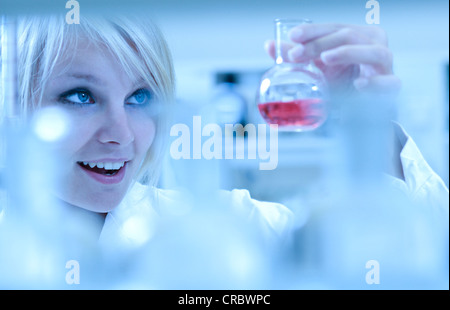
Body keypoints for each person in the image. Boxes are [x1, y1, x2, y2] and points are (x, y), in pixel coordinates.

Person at [4, 14, 448, 284]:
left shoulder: (228, 228)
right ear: (14, 105)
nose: (121, 133)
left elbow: (415, 256)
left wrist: (366, 123)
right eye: (81, 95)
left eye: (140, 97)